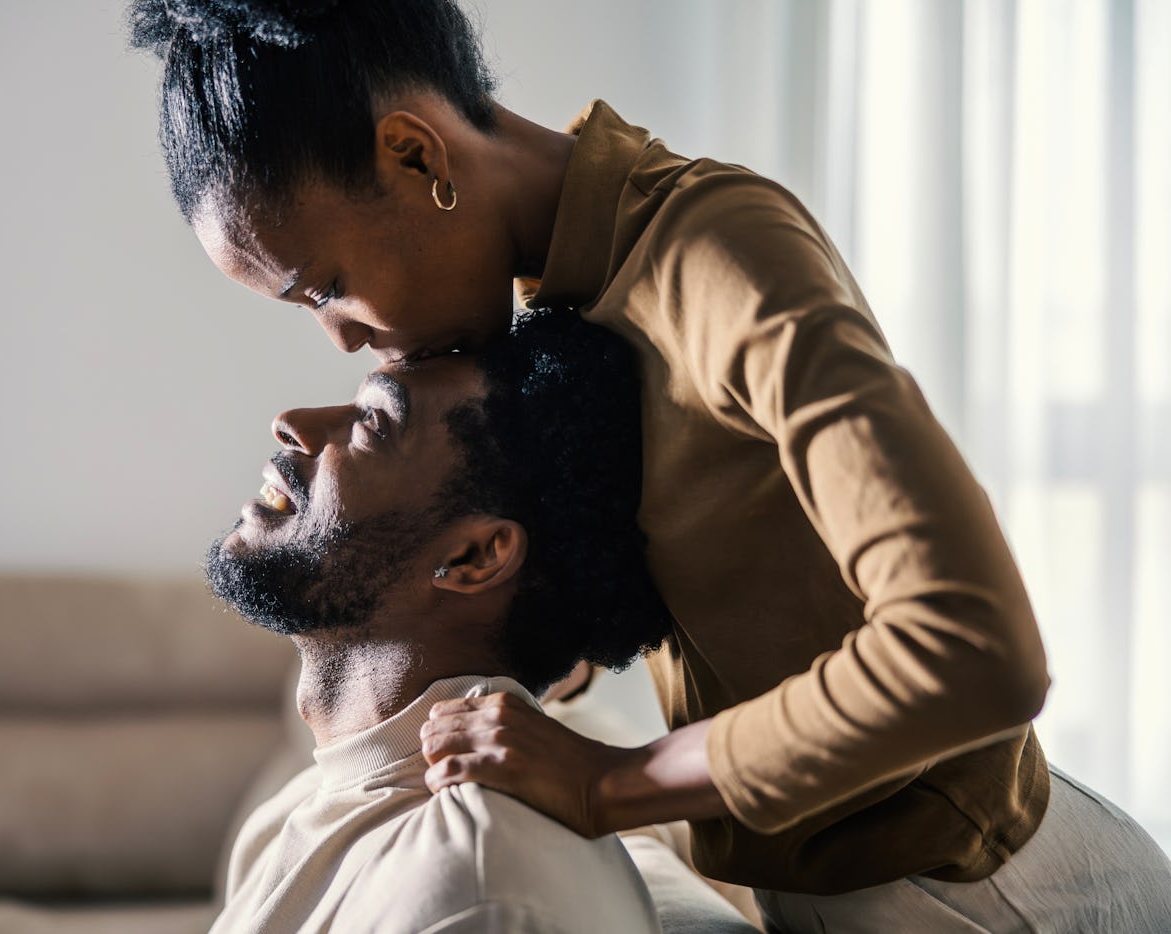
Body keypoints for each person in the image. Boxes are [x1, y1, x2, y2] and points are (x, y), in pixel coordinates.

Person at [131, 1, 1171, 928]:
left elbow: (977, 649)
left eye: (323, 287)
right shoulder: (553, 298)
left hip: (986, 895)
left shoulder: (718, 257)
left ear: (415, 156)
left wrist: (614, 782)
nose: (343, 340)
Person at [204, 310, 756, 932]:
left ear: (473, 557)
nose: (292, 422)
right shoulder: (303, 803)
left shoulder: (470, 892)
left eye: (375, 424)